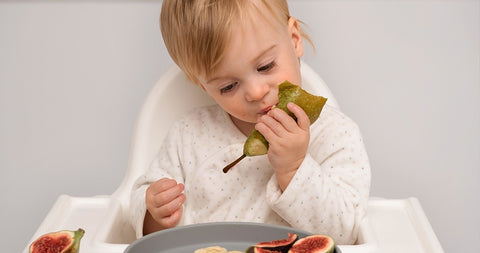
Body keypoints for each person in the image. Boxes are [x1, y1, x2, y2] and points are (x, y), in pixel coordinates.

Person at [129, 0, 371, 245]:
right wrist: (155, 212)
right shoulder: (188, 134)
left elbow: (344, 234)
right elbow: (146, 224)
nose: (255, 92)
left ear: (294, 39)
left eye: (266, 66)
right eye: (228, 86)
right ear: (204, 86)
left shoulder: (334, 134)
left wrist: (294, 167)